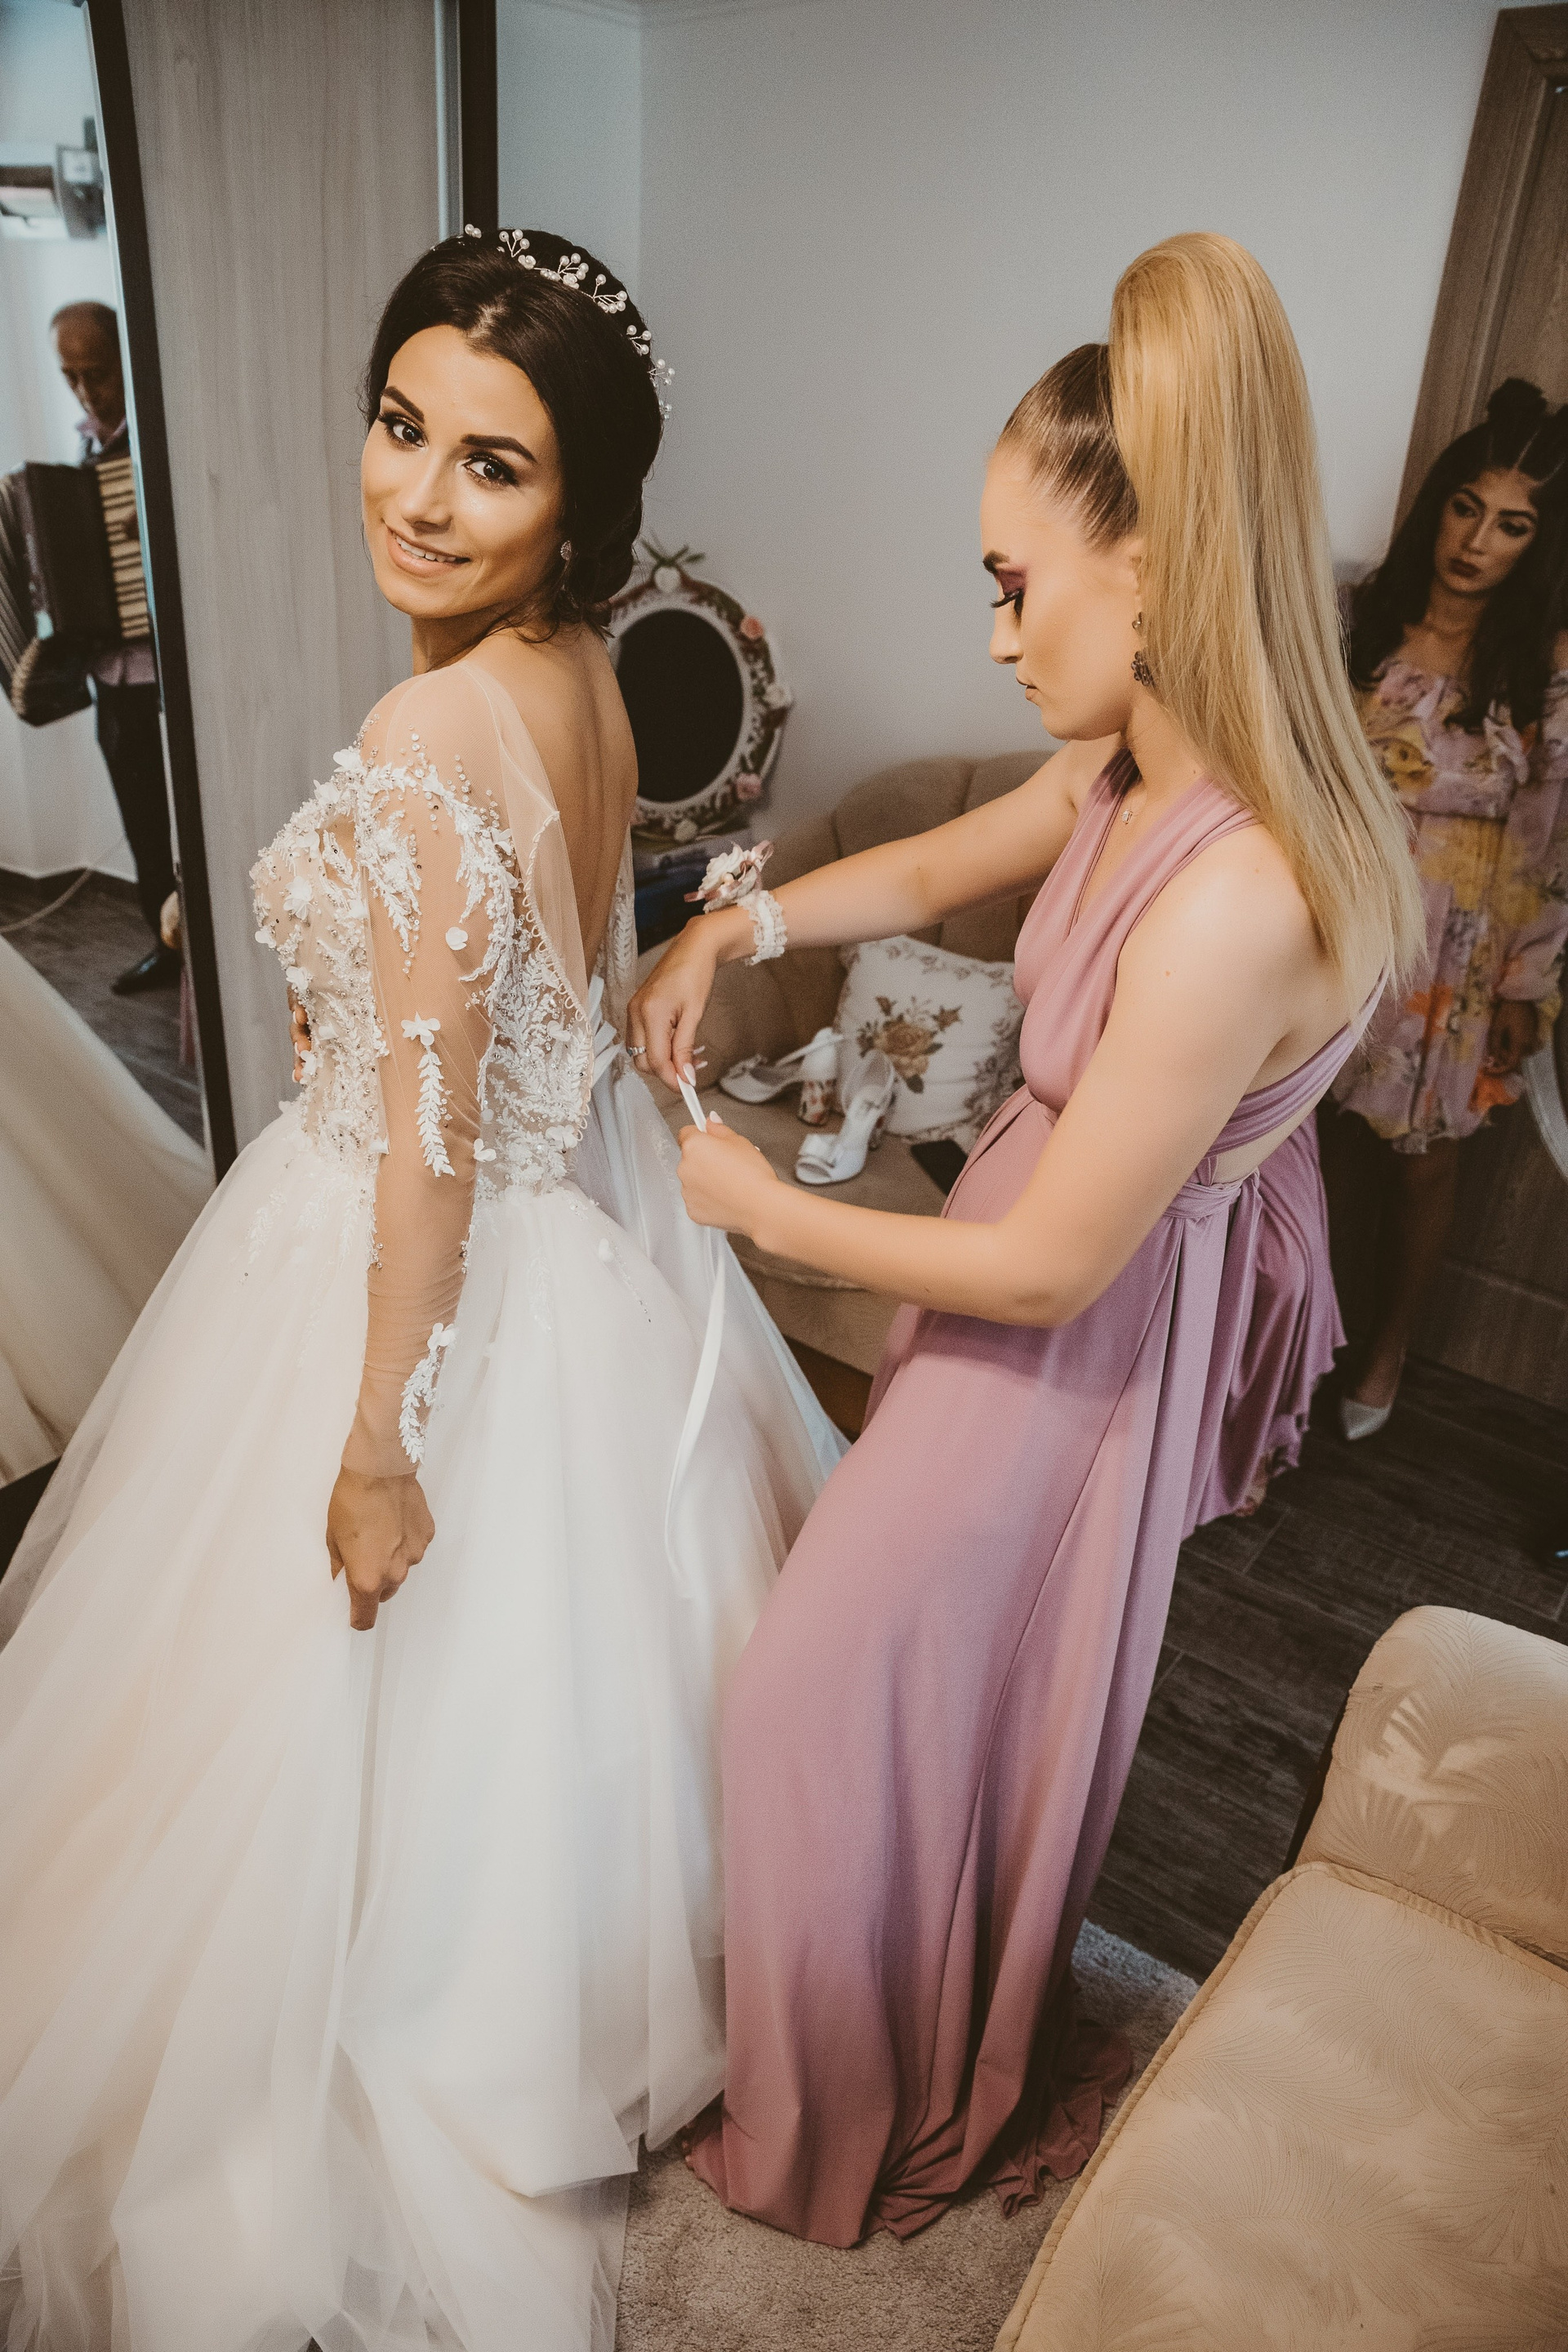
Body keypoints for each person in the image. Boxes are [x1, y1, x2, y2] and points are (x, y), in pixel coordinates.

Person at [0, 229, 840, 2352]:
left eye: (495, 465)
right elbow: (542, 999)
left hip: (409, 1252)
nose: (420, 496)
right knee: (570, 1724)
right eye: (403, 427)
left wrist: (379, 1442)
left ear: (581, 503)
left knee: (296, 1771)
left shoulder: (429, 722)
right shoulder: (579, 676)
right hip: (570, 1253)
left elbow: (437, 1152)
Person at [630, 232, 1423, 2245]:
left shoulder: (1231, 892)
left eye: (1011, 581)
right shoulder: (1134, 764)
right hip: (997, 1287)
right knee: (915, 1701)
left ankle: (845, 2122)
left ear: (1151, 570)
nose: (991, 634)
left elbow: (1066, 1265)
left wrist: (759, 1200)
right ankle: (886, 2036)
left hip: (1065, 1344)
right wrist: (740, 922)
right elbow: (931, 864)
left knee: (816, 1696)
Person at [1330, 380, 1568, 1436]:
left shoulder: (1542, 670)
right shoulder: (1355, 621)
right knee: (1286, 1144)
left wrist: (1526, 985)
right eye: (1467, 508)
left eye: (1512, 524)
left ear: (1538, 545)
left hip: (1452, 952)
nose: (1477, 541)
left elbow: (1550, 844)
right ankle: (1274, 1349)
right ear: (1438, 505)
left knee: (1420, 1163)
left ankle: (1388, 1346)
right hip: (1329, 923)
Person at [51, 299, 177, 995]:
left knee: (188, 817)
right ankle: (166, 943)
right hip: (111, 671)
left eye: (94, 373)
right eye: (70, 376)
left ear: (124, 362)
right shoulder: (85, 449)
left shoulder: (159, 437)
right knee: (141, 819)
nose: (84, 391)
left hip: (165, 668)